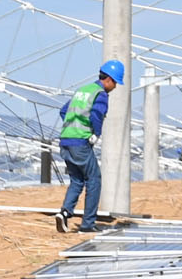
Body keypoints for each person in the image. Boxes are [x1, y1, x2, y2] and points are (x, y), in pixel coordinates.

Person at [55, 58, 123, 232]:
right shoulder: (100, 94)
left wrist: (73, 126)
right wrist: (94, 133)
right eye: (115, 83)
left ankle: (64, 213)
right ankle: (87, 224)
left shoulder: (83, 90)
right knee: (94, 180)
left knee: (77, 180)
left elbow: (64, 111)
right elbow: (96, 115)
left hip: (65, 141)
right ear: (109, 79)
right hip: (80, 143)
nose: (115, 87)